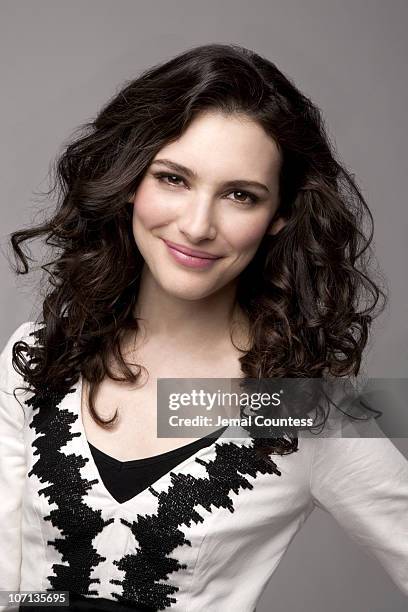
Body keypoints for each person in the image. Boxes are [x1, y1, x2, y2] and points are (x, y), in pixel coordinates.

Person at [1, 43, 407, 611]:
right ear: (129, 179)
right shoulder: (38, 355)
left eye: (240, 195)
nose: (196, 226)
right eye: (173, 179)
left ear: (279, 215)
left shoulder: (301, 405)